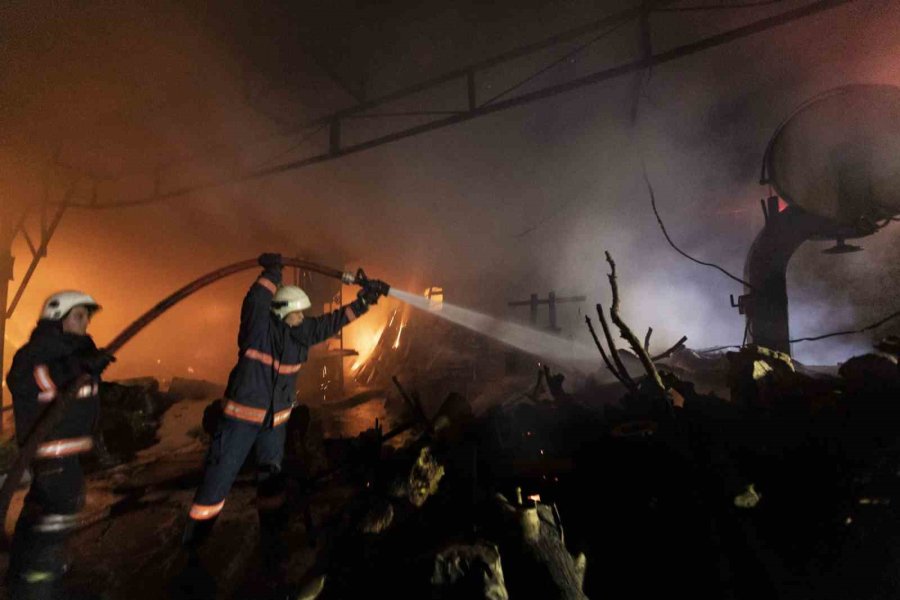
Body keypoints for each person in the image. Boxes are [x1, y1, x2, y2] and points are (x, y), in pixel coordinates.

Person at [182, 253, 386, 577]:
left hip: (274, 426)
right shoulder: (257, 331)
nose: (303, 318)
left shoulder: (299, 335)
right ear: (280, 313)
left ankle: (272, 538)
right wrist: (273, 273)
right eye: (297, 314)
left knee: (272, 483)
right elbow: (255, 300)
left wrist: (365, 302)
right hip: (240, 422)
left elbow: (333, 322)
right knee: (216, 483)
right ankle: (194, 547)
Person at [5, 291, 115, 600]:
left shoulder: (73, 353)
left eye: (86, 317)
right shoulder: (39, 352)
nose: (85, 322)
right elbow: (28, 379)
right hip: (53, 454)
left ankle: (21, 576)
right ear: (57, 317)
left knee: (38, 517)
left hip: (66, 455)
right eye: (78, 316)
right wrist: (80, 367)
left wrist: (86, 364)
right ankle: (38, 585)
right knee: (56, 520)